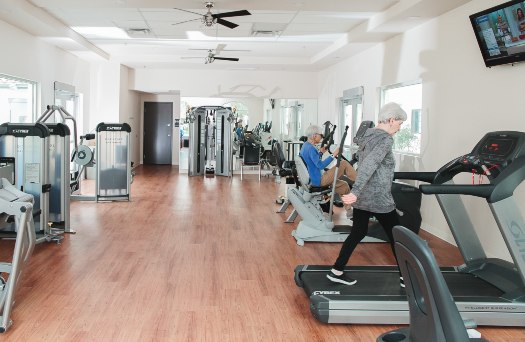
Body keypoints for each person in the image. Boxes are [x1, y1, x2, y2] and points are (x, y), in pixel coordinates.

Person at [326, 102, 407, 287]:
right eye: (400, 123)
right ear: (392, 120)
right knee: (397, 235)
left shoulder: (367, 135)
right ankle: (405, 277)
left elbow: (366, 166)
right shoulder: (386, 139)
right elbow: (369, 165)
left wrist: (358, 192)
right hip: (378, 197)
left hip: (364, 196)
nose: (400, 128)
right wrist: (355, 192)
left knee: (358, 232)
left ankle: (336, 270)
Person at [299, 124, 357, 211]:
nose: (322, 137)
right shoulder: (311, 148)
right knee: (344, 163)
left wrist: (321, 153)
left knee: (344, 186)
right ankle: (361, 182)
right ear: (314, 135)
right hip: (319, 180)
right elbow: (320, 165)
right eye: (321, 135)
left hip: (314, 179)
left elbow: (312, 161)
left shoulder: (305, 146)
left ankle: (349, 211)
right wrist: (333, 154)